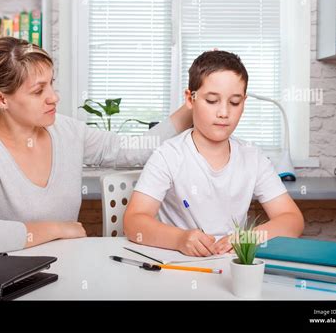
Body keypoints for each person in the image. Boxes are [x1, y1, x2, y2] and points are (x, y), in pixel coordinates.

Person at [0, 37, 193, 253]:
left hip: (62, 270)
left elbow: (133, 149)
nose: (53, 97)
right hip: (2, 279)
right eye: (38, 91)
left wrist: (194, 103)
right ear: (1, 98)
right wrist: (59, 229)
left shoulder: (67, 131)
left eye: (51, 84)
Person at [123, 50, 304, 257]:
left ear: (243, 103)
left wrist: (248, 238)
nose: (224, 113)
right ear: (191, 99)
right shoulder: (168, 155)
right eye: (211, 100)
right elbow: (133, 221)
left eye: (234, 102)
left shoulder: (253, 157)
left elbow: (292, 220)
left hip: (231, 267)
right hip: (180, 266)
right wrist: (180, 239)